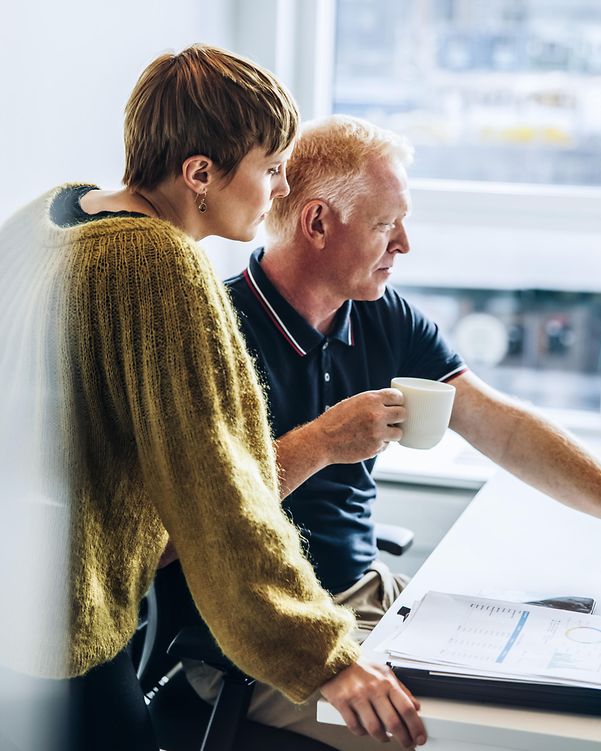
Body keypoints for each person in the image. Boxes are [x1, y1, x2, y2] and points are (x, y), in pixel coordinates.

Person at [0, 54, 427, 751]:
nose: (280, 188)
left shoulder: (45, 219)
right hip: (63, 633)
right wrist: (325, 660)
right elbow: (219, 494)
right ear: (199, 174)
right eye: (270, 167)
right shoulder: (160, 266)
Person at [185, 114, 601, 750]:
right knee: (458, 734)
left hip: (367, 595)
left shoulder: (383, 315)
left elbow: (503, 429)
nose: (404, 244)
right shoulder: (213, 332)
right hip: (252, 631)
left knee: (553, 668)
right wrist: (322, 442)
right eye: (385, 225)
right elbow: (194, 520)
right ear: (318, 222)